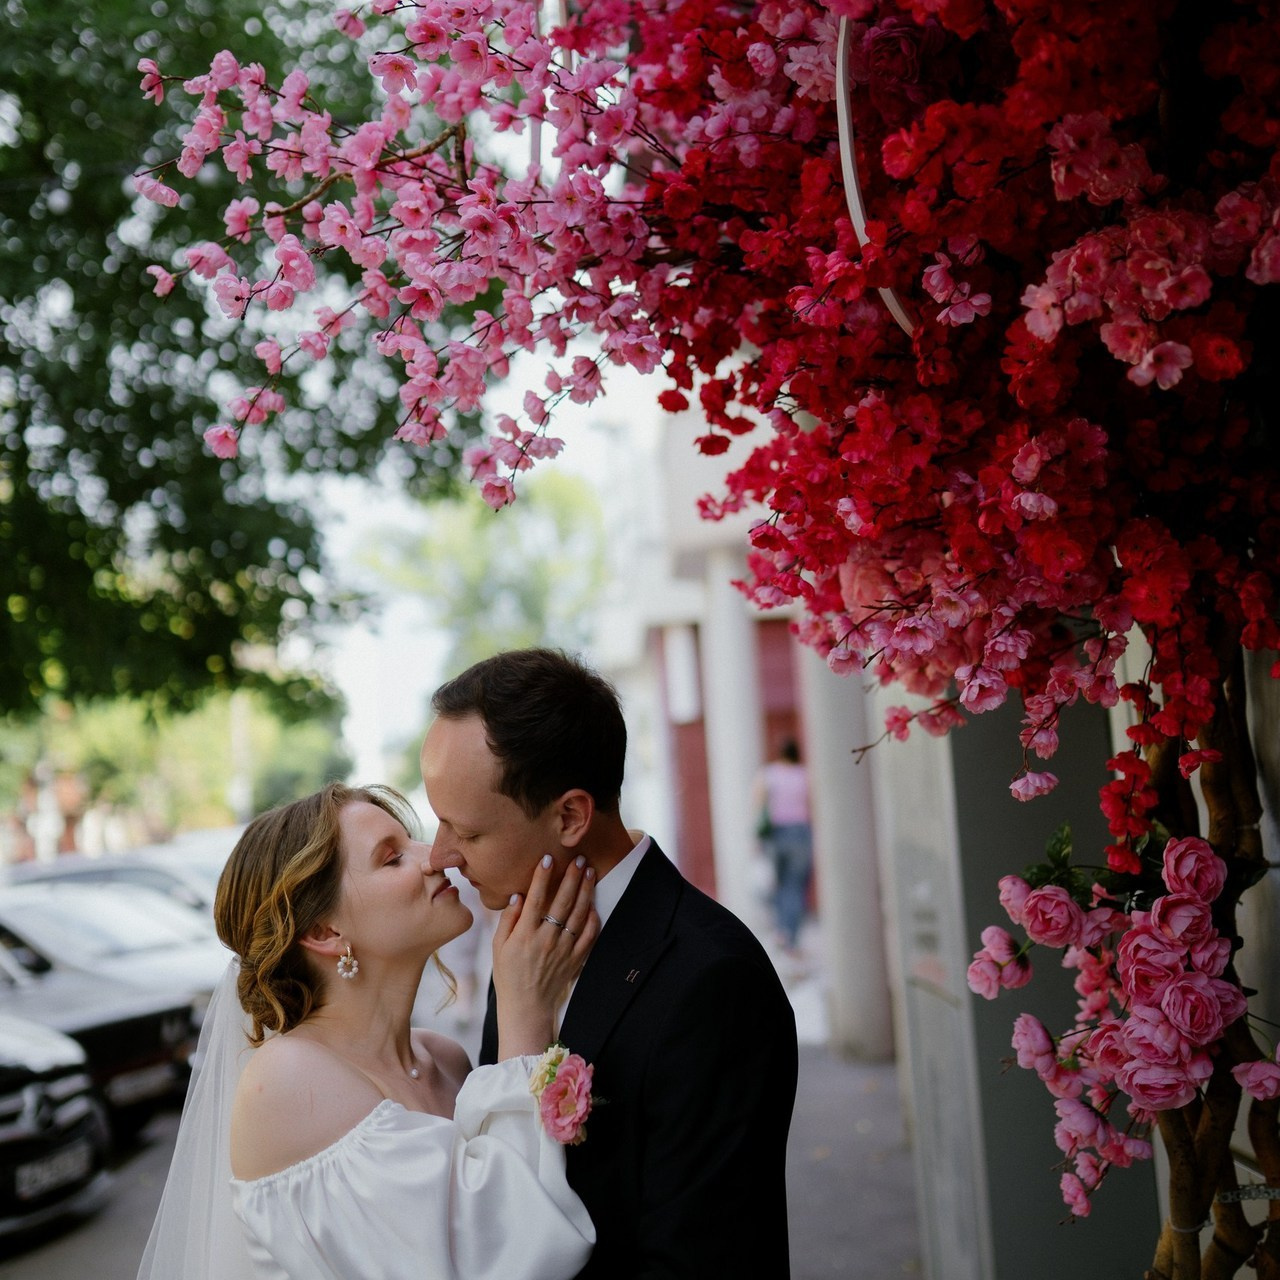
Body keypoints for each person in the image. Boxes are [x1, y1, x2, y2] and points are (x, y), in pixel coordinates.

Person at [420, 648, 798, 1280]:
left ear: (570, 815)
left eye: (468, 832)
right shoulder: (522, 944)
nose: (440, 856)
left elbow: (705, 1256)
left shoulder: (711, 978)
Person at [137, 781, 598, 1280]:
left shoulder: (445, 1059)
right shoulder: (288, 1078)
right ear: (324, 933)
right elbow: (504, 1255)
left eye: (411, 841)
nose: (435, 857)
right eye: (392, 858)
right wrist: (525, 1011)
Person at [756, 738, 814, 955]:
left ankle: (781, 930)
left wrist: (757, 840)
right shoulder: (804, 775)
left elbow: (759, 803)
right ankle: (792, 937)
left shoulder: (769, 774)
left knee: (778, 884)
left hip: (776, 833)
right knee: (796, 886)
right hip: (800, 832)